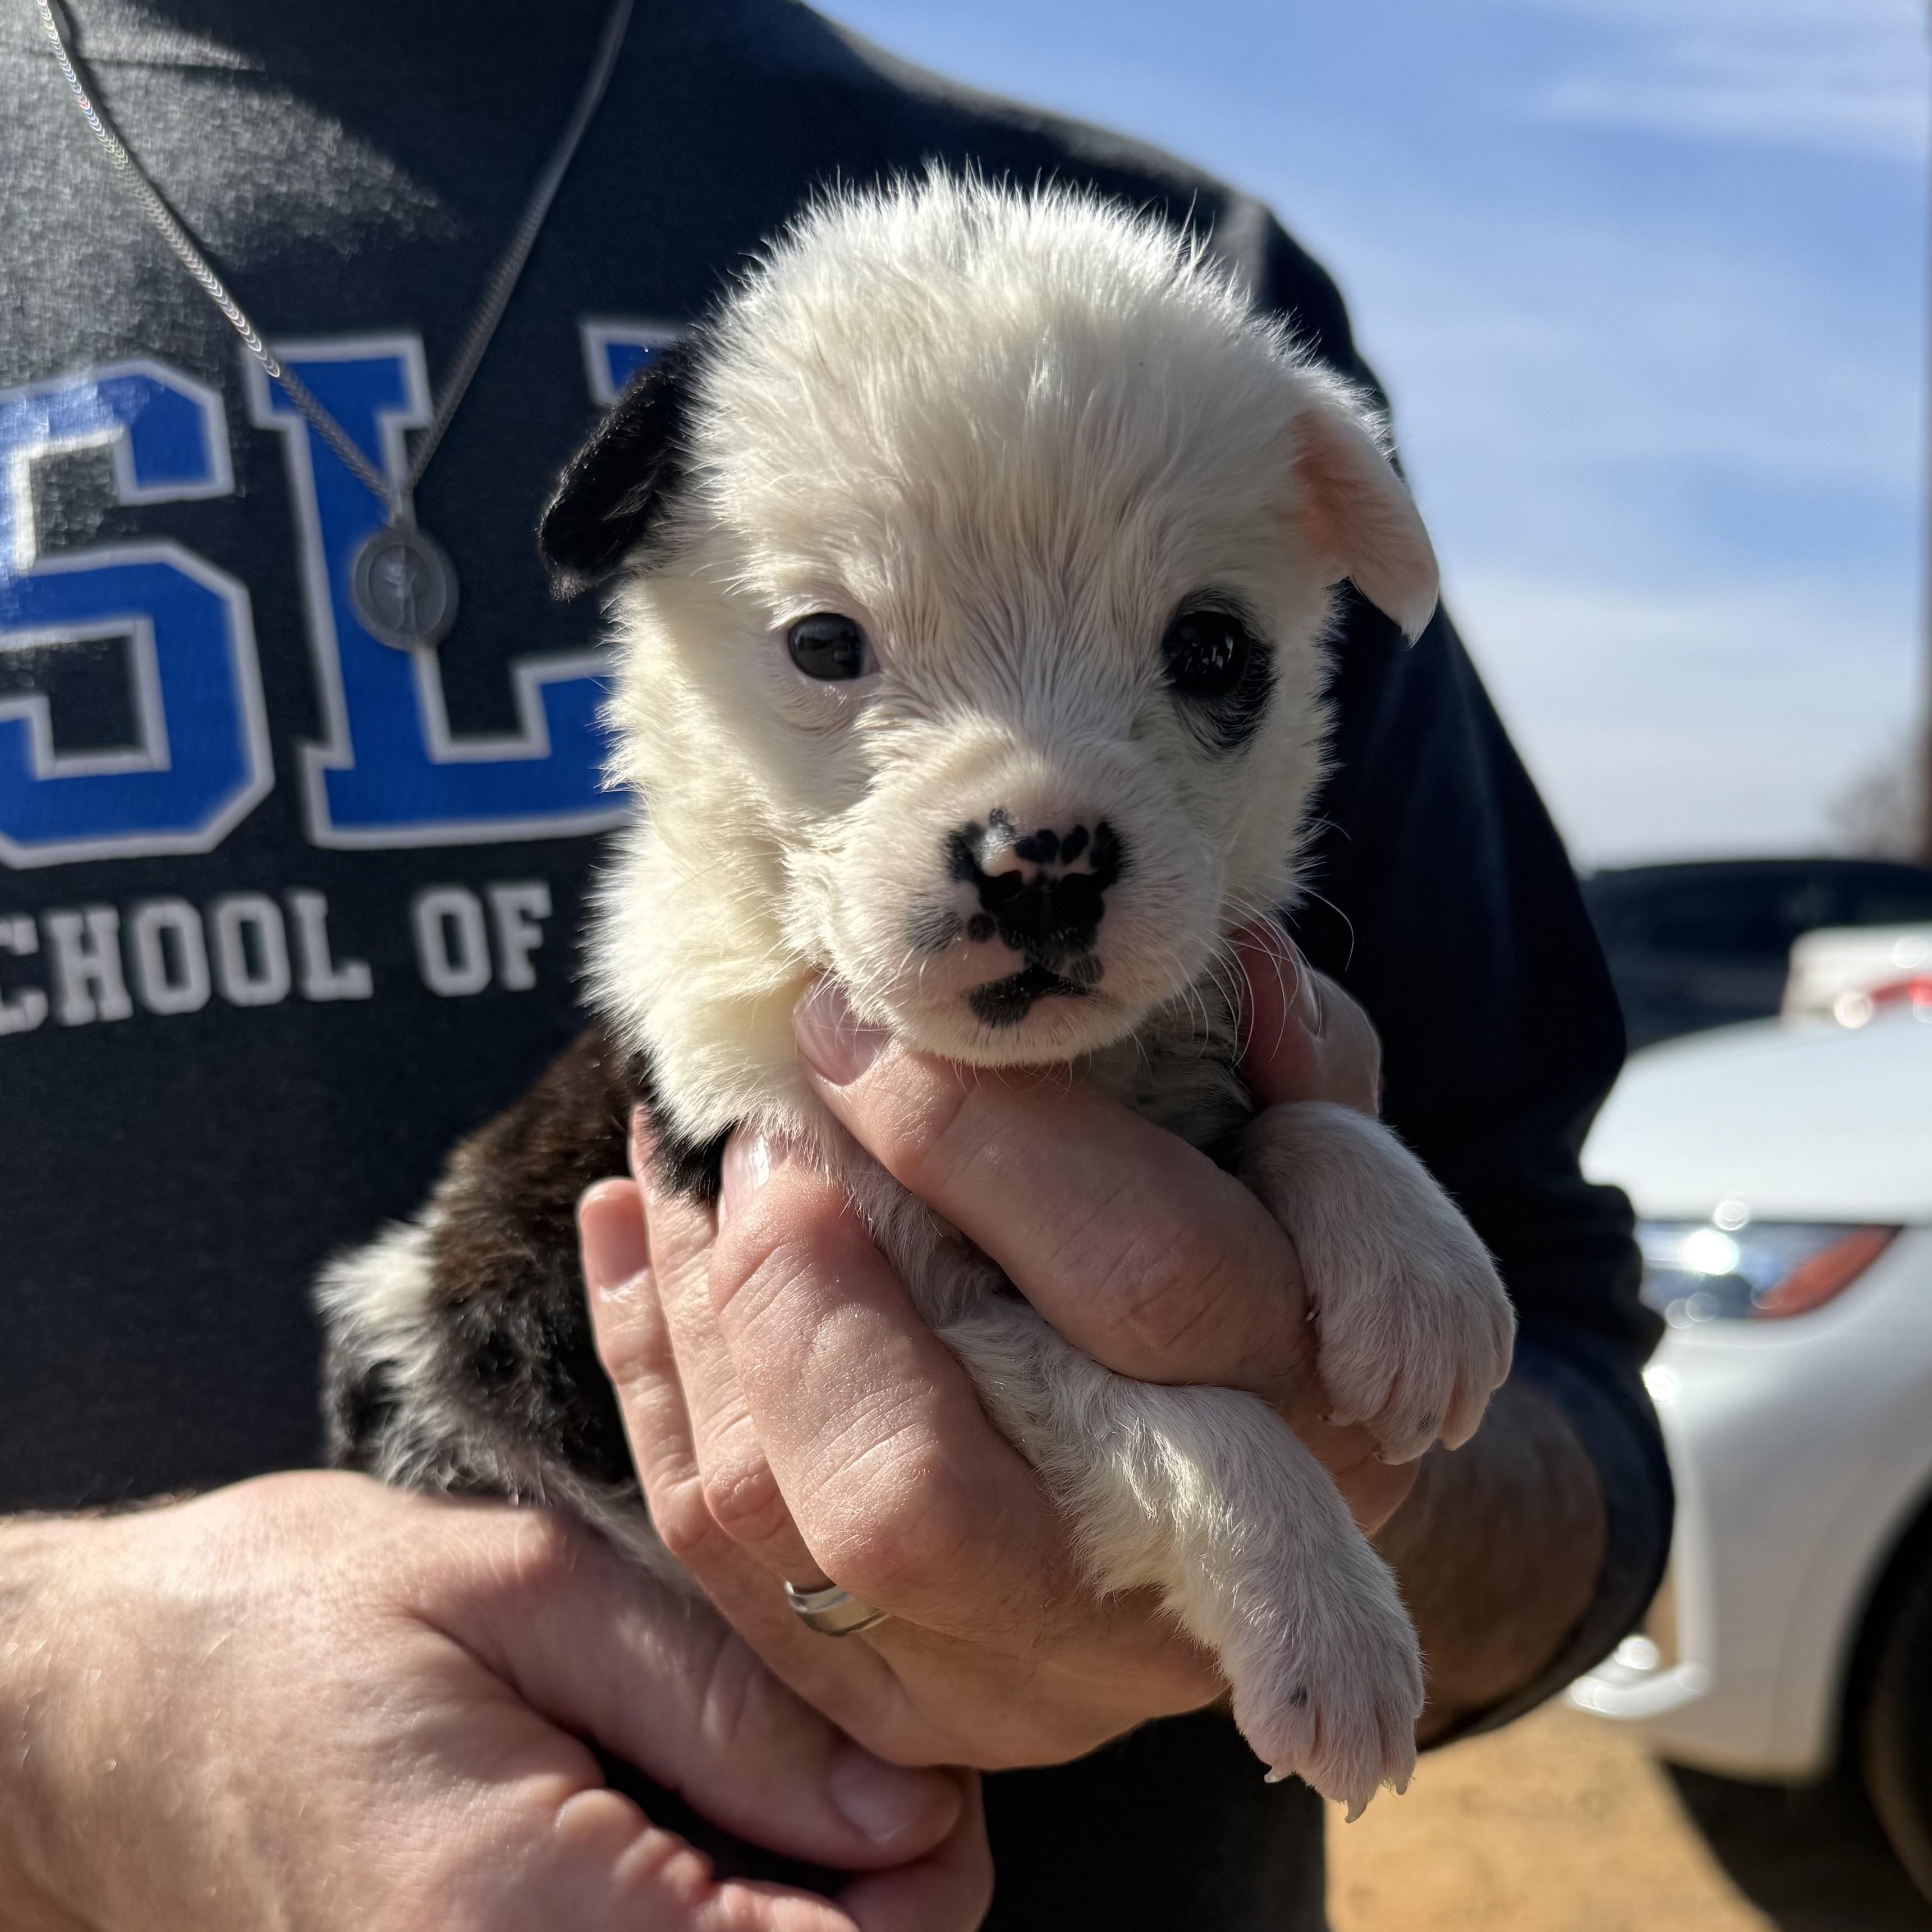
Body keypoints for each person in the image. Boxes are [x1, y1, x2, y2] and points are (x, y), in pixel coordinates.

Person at [0, 1, 1671, 1926]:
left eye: (1198, 660)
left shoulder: (1197, 282)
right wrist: (62, 1718)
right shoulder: (720, 1007)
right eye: (832, 651)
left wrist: (1377, 1439)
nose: (1039, 829)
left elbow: (1560, 1363)